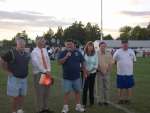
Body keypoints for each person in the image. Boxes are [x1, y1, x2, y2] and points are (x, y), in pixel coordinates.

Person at [1, 38, 30, 113]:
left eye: (23, 44)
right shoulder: (11, 53)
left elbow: (26, 62)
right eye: (20, 44)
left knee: (22, 95)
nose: (22, 46)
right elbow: (2, 60)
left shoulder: (26, 53)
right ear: (17, 44)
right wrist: (7, 71)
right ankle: (14, 111)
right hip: (14, 78)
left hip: (24, 78)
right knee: (15, 97)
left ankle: (20, 110)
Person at [58, 39, 87, 113]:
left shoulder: (78, 52)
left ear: (73, 45)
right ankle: (65, 107)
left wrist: (85, 71)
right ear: (65, 45)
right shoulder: (63, 52)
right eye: (67, 44)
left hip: (77, 77)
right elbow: (59, 62)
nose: (69, 46)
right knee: (66, 92)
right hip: (67, 77)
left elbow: (83, 61)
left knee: (77, 91)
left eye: (70, 44)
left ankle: (78, 106)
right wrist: (66, 56)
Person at [31, 36, 54, 113]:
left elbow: (48, 61)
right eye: (43, 41)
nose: (44, 42)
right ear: (38, 42)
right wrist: (45, 71)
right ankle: (40, 109)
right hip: (39, 74)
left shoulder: (44, 50)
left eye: (44, 41)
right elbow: (36, 64)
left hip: (46, 73)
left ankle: (45, 108)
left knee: (46, 92)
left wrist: (49, 70)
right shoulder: (34, 52)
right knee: (40, 92)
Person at [113, 40, 136, 104]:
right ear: (121, 45)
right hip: (120, 73)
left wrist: (130, 68)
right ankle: (120, 99)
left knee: (129, 87)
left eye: (126, 44)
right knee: (120, 87)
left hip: (129, 73)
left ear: (128, 44)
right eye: (124, 44)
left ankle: (128, 99)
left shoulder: (131, 51)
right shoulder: (118, 52)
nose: (125, 45)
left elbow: (134, 61)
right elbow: (113, 60)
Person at [96, 41, 113, 106]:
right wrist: (100, 70)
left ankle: (106, 101)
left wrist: (107, 70)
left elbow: (111, 63)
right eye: (102, 46)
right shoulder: (96, 54)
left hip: (107, 73)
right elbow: (96, 63)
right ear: (99, 47)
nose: (103, 47)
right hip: (99, 73)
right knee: (99, 87)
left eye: (104, 46)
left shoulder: (108, 53)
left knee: (107, 87)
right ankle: (99, 101)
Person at [82, 41, 98, 107]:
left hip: (93, 73)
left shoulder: (95, 54)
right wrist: (85, 72)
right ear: (87, 46)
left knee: (91, 88)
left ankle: (91, 103)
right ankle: (84, 103)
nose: (90, 47)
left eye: (91, 46)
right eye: (89, 46)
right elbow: (82, 64)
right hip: (85, 73)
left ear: (93, 47)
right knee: (85, 89)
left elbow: (96, 65)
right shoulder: (84, 54)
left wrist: (89, 71)